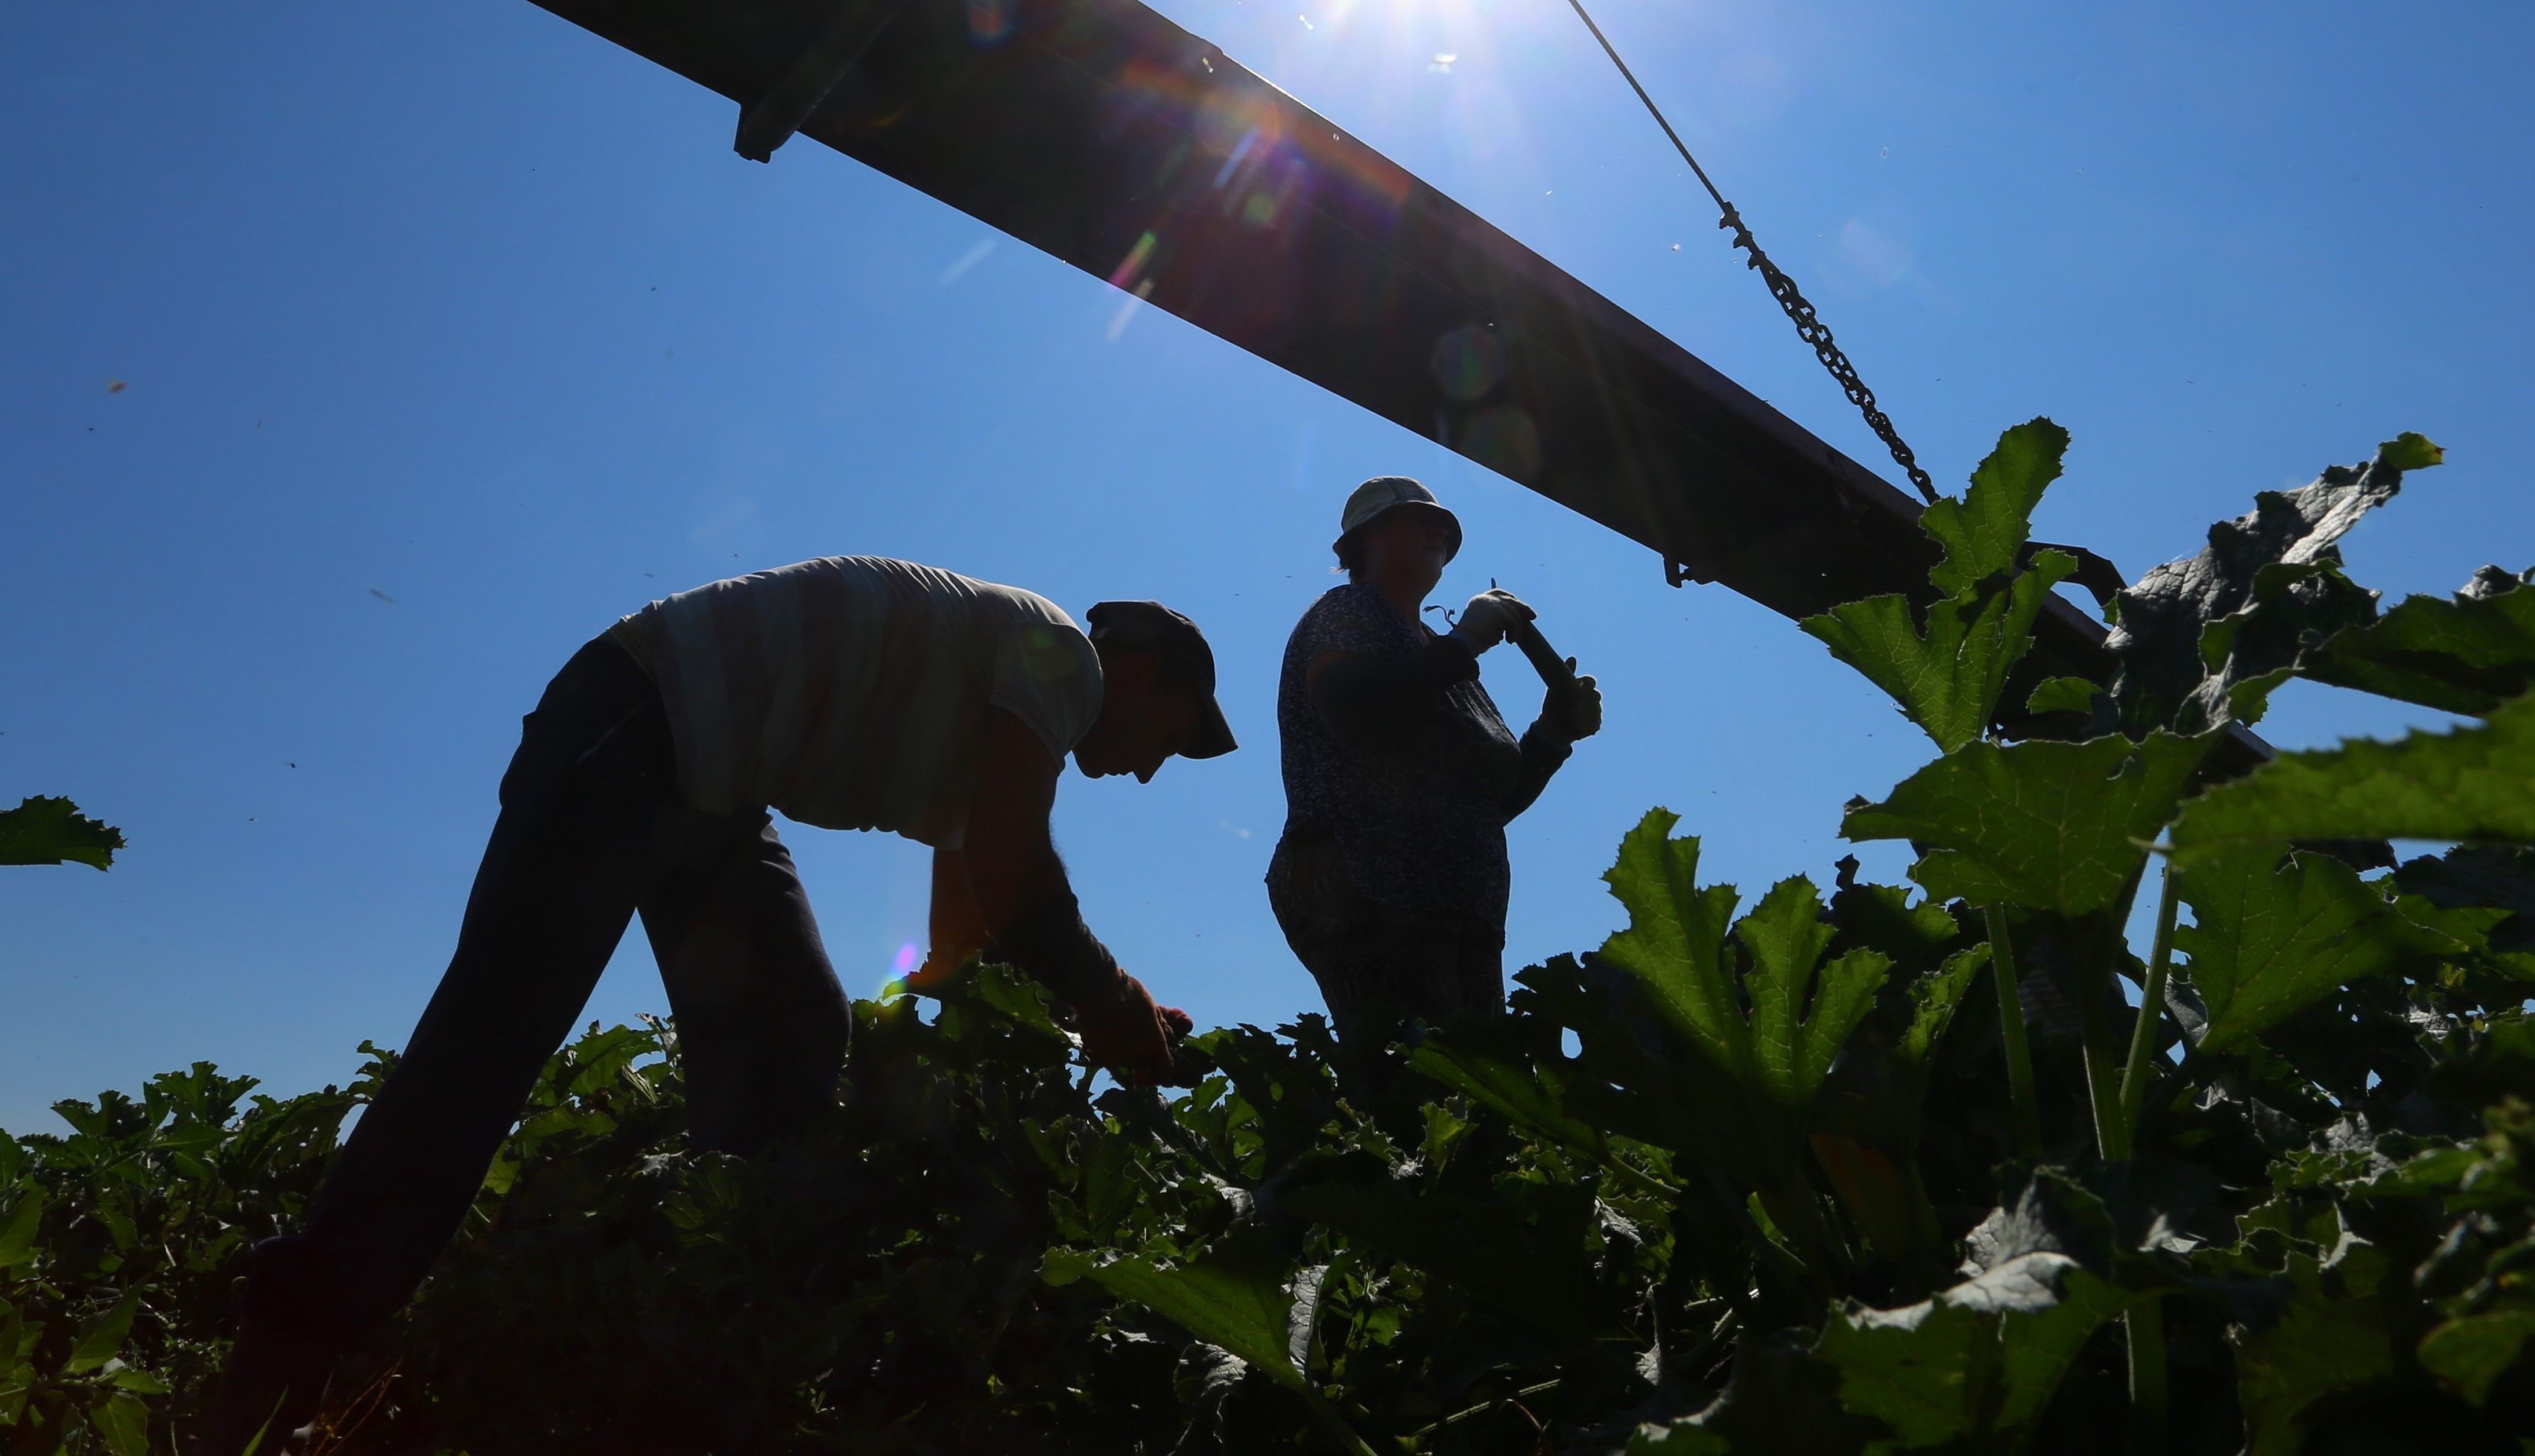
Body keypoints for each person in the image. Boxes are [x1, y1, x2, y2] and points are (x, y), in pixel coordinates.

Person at [197, 557, 1233, 1454]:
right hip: (633, 717)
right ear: (1140, 672)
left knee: (795, 1032)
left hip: (701, 782)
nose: (1148, 771)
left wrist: (1066, 1019)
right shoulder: (1065, 658)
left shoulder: (1002, 734)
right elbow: (1016, 874)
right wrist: (1108, 995)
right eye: (1171, 738)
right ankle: (275, 1375)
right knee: (488, 1041)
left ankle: (716, 1331)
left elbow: (965, 951)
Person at [1269, 478, 1601, 1041]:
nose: (1439, 530)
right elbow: (1355, 711)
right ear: (1366, 538)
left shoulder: (1435, 653)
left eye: (1444, 525)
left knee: (1470, 1101)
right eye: (1418, 519)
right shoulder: (1349, 610)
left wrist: (1551, 734)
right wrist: (1468, 637)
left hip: (1458, 911)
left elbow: (1483, 805)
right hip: (1369, 895)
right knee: (1416, 1094)